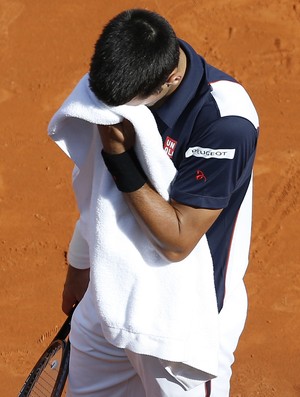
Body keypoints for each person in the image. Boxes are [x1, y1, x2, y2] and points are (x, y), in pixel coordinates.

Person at [59, 8, 259, 397]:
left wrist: (119, 157)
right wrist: (79, 267)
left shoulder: (224, 122)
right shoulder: (123, 79)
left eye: (130, 104)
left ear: (172, 79)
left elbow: (178, 239)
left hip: (181, 324)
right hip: (110, 301)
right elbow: (98, 191)